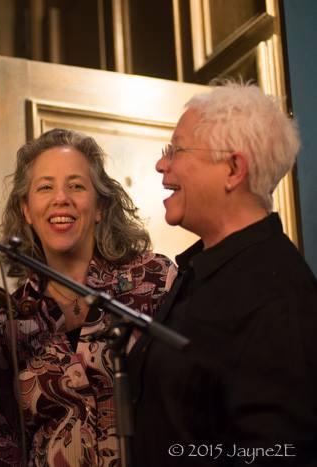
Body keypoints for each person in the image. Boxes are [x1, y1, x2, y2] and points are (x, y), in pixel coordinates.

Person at [129, 82, 317, 466]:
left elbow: (277, 452)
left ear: (233, 169)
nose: (162, 165)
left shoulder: (278, 297)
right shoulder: (201, 272)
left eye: (177, 150)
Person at [0, 128, 176, 466]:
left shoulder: (155, 279)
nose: (61, 198)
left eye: (76, 186)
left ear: (99, 207)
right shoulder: (7, 324)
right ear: (26, 209)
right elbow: (0, 440)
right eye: (45, 187)